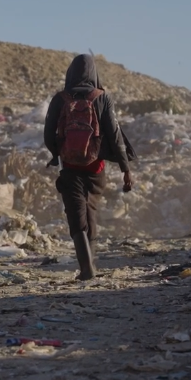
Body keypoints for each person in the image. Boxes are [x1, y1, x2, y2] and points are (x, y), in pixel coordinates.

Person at [44, 54, 133, 281]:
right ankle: (90, 263)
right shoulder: (102, 98)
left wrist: (57, 153)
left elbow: (47, 134)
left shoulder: (60, 98)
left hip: (70, 166)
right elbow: (114, 135)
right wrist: (126, 169)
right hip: (96, 167)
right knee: (90, 211)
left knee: (76, 214)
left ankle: (86, 269)